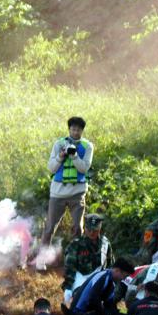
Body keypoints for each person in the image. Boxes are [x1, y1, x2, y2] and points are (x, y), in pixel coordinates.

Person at [42, 117, 94, 251]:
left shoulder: (87, 146)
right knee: (49, 227)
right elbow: (51, 168)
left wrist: (75, 156)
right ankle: (42, 258)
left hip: (77, 193)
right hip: (57, 193)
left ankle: (76, 258)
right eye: (73, 129)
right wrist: (60, 156)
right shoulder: (59, 144)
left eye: (78, 130)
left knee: (78, 228)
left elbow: (83, 169)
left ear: (82, 131)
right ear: (69, 129)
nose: (75, 132)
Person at [62, 213, 105, 303]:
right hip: (80, 275)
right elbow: (70, 267)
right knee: (80, 297)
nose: (91, 232)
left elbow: (110, 265)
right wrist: (68, 287)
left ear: (99, 229)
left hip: (98, 275)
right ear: (85, 228)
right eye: (88, 229)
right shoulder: (75, 244)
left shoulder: (105, 244)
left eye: (94, 230)